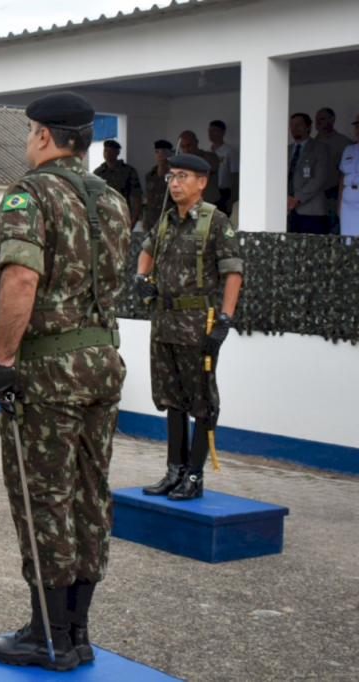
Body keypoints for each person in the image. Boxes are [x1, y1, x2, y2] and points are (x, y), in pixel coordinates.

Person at [0, 92, 130, 672]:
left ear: (43, 136)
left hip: (48, 371)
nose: (27, 143)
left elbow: (20, 278)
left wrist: (4, 359)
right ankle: (78, 632)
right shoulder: (114, 201)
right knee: (91, 494)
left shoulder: (32, 193)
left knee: (43, 495)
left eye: (29, 133)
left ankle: (47, 636)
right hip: (102, 364)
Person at [135, 154, 243, 501]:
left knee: (201, 401)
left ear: (202, 182)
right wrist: (141, 278)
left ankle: (194, 476)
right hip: (164, 323)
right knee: (172, 400)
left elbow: (233, 272)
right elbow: (146, 250)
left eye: (183, 176)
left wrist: (224, 319)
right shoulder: (166, 220)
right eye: (171, 177)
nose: (175, 182)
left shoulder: (215, 221)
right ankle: (174, 471)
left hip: (199, 325)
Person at [287, 112, 330, 234]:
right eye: (292, 125)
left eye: (299, 125)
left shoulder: (320, 148)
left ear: (309, 127)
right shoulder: (287, 150)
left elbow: (319, 179)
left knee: (311, 250)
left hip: (311, 209)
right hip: (288, 210)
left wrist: (297, 199)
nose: (294, 128)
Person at [316, 108, 353, 234]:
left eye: (322, 119)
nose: (318, 123)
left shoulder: (344, 143)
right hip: (314, 197)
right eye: (317, 119)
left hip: (334, 194)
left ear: (332, 120)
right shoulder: (312, 143)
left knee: (335, 230)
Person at [93, 140, 141, 225]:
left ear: (117, 153)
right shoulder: (98, 172)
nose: (107, 153)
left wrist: (134, 219)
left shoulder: (128, 171)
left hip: (122, 216)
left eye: (110, 151)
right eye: (105, 150)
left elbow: (137, 196)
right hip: (103, 217)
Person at [178, 131, 221, 205]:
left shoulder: (210, 157)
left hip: (209, 203)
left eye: (189, 145)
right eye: (183, 147)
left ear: (196, 142)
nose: (187, 150)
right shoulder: (181, 161)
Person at [142, 140, 174, 231]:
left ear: (170, 153)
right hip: (152, 222)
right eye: (157, 152)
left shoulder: (177, 175)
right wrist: (144, 218)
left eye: (164, 152)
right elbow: (147, 198)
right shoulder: (150, 175)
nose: (160, 155)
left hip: (170, 222)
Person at [208, 120, 239, 215]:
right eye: (209, 131)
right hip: (210, 191)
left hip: (224, 193)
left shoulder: (229, 151)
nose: (211, 134)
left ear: (222, 133)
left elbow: (235, 175)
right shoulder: (207, 152)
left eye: (214, 131)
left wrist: (232, 198)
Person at [338, 115, 359, 238]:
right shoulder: (349, 149)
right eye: (356, 127)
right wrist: (339, 204)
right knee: (347, 238)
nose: (358, 130)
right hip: (348, 200)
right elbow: (342, 178)